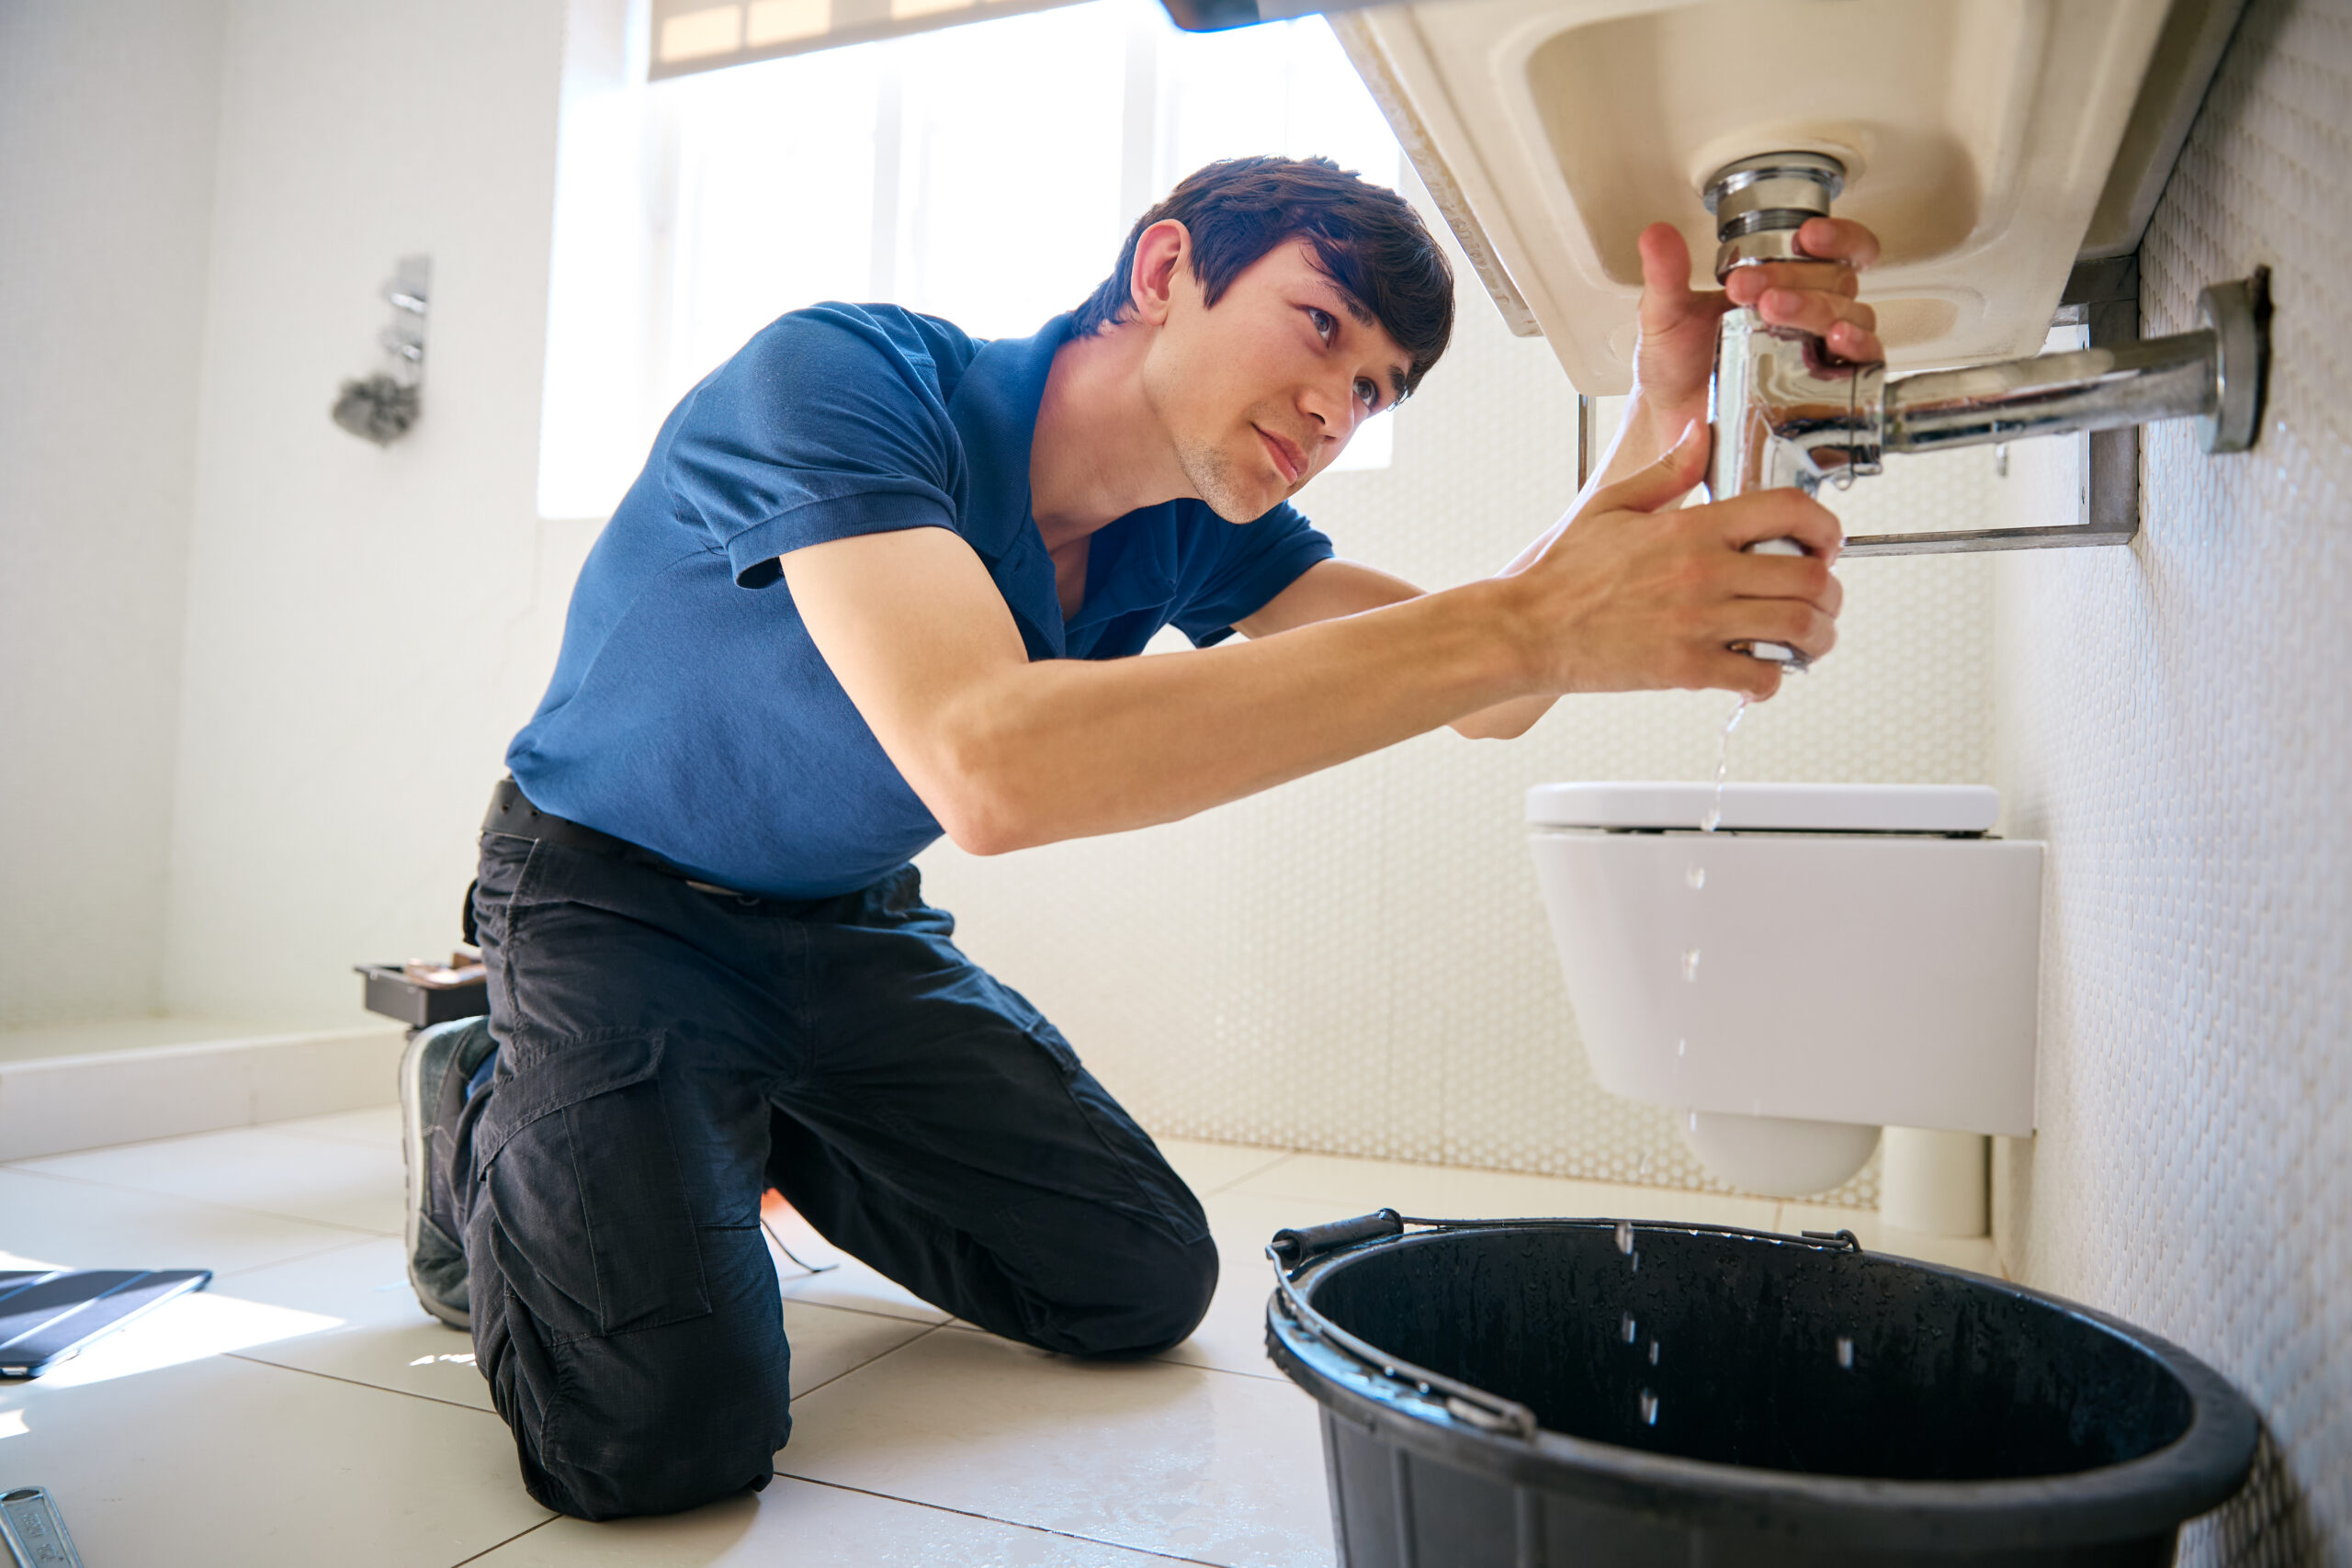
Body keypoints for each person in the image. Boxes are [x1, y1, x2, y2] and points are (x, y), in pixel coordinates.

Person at [399, 154, 1882, 1520]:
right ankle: (492, 1103)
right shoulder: (843, 379)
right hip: (610, 903)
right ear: (1166, 266)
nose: (1337, 410)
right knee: (660, 1444)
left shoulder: (1186, 518)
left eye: (1374, 391)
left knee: (1137, 1281)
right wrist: (1530, 622)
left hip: (843, 922)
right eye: (1319, 330)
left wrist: (1663, 421)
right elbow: (992, 767)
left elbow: (1490, 695)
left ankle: (716, 1118)